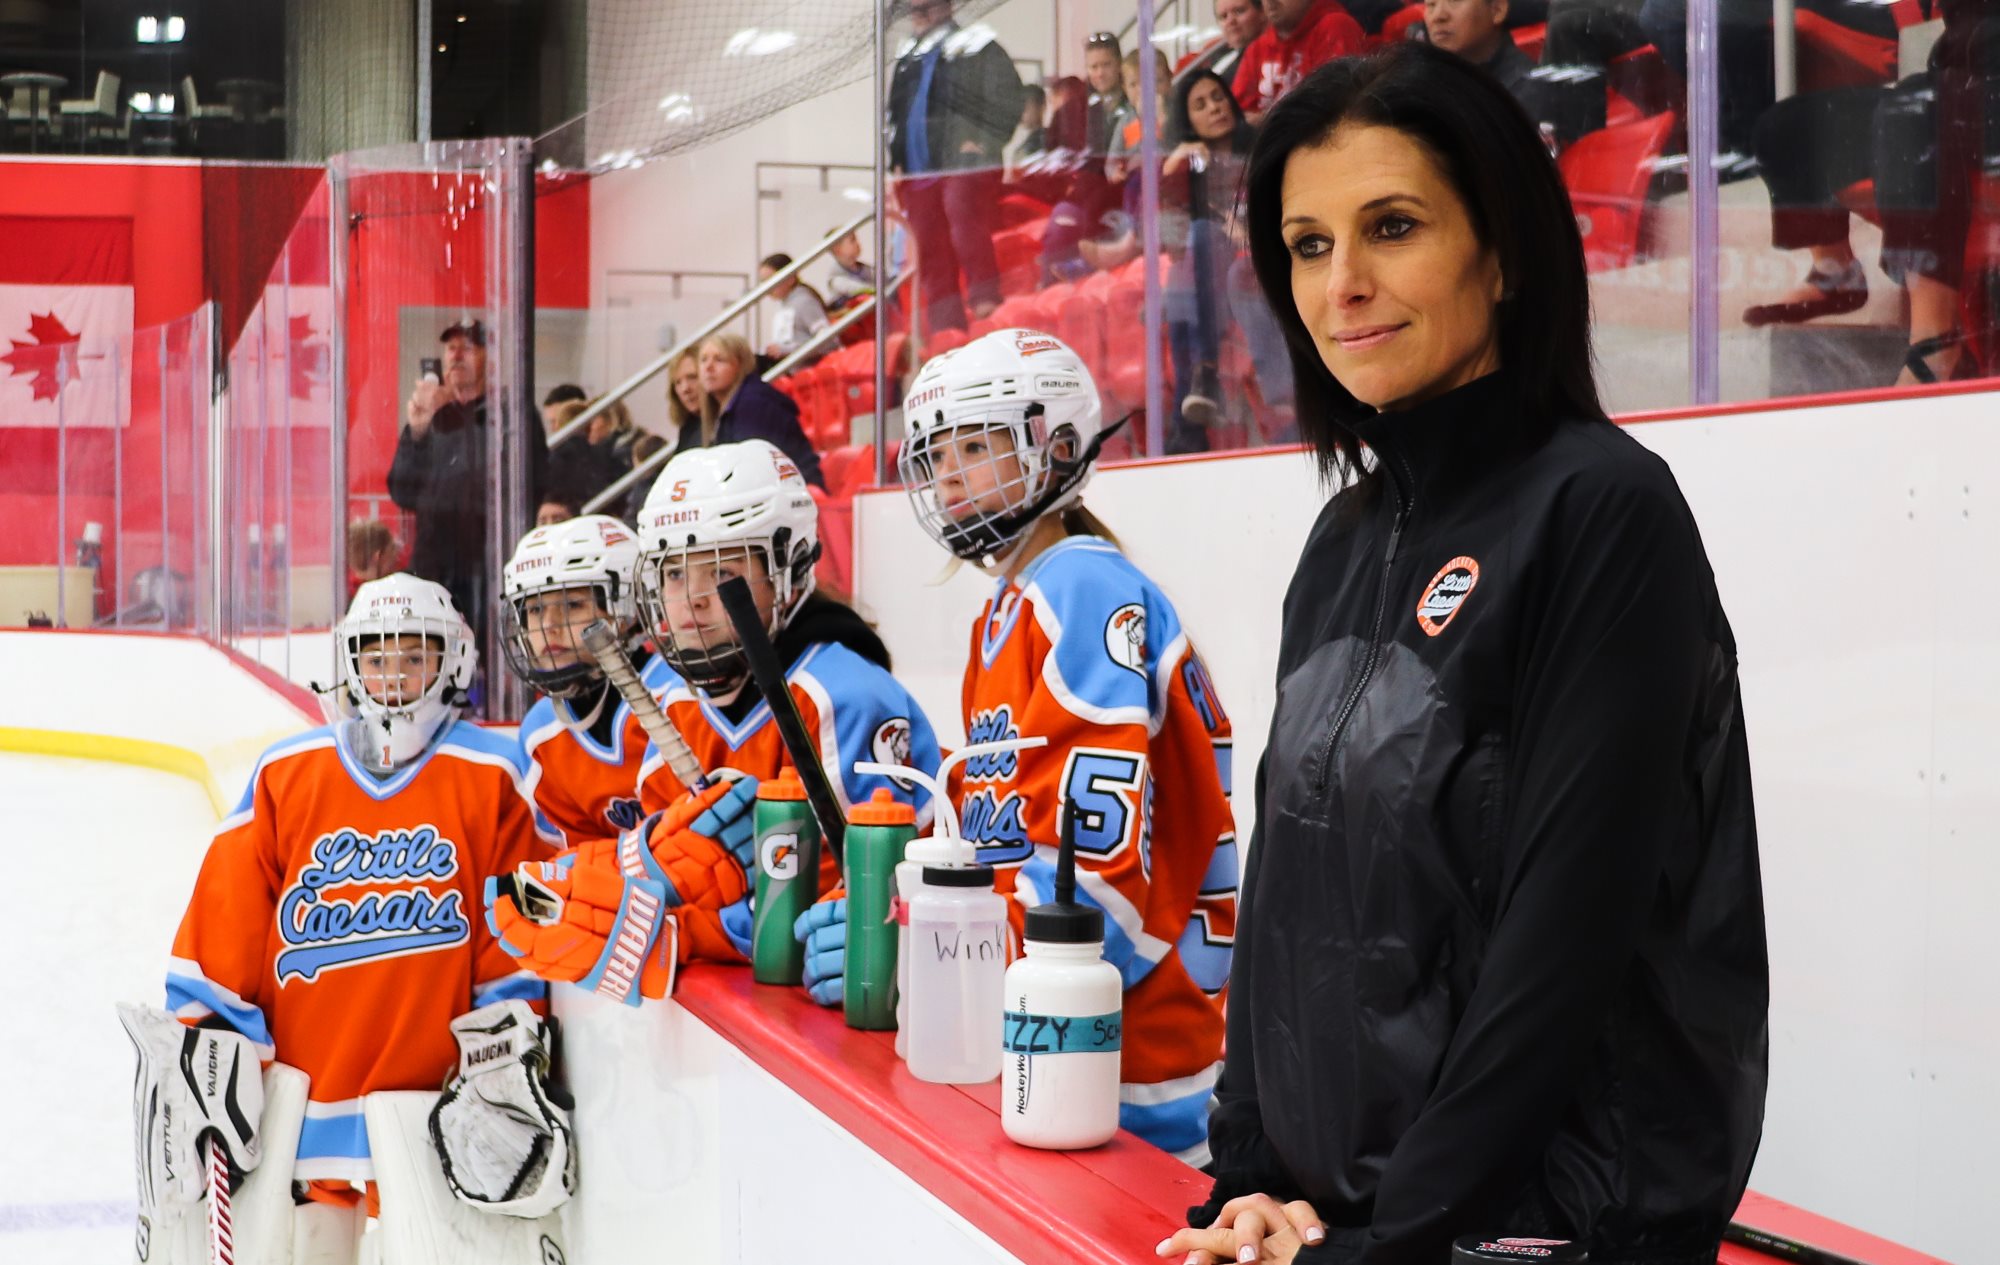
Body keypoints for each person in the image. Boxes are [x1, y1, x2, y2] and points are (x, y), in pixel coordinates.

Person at [1157, 45, 1767, 1264]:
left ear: (1501, 250)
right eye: (1308, 244)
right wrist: (1250, 1174)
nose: (1342, 284)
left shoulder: (1603, 511)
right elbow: (1282, 895)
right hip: (1359, 1227)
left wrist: (1392, 1239)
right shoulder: (1343, 537)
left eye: (1390, 227)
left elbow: (1565, 940)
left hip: (1547, 1233)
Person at [894, 329, 1238, 1164]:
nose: (949, 476)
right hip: (1066, 1043)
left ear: (1055, 447)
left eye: (976, 446)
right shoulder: (1012, 605)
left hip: (1124, 1066)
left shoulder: (1080, 590)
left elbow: (1096, 880)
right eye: (939, 455)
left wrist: (963, 985)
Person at [145, 574, 556, 1248]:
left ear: (452, 660)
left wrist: (503, 1065)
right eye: (375, 654)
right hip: (307, 1120)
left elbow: (510, 947)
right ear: (348, 661)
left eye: (413, 654)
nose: (392, 673)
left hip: (439, 1119)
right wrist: (209, 1053)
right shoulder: (287, 771)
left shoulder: (495, 771)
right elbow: (225, 924)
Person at [629, 439, 944, 966]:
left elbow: (850, 888)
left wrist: (686, 929)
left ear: (790, 568)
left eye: (723, 573)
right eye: (676, 573)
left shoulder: (842, 693)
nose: (693, 598)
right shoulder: (667, 690)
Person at [1742, 0, 1998, 384]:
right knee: (1789, 127)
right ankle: (1836, 272)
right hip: (1956, 80)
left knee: (1911, 110)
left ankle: (1936, 341)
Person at [502, 514, 654, 844]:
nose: (550, 627)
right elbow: (574, 862)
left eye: (572, 605)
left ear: (625, 610)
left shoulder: (675, 693)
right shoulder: (540, 731)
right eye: (534, 610)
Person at [388, 319, 549, 631]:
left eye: (468, 347)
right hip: (434, 569)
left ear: (489, 360)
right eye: (451, 348)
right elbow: (402, 492)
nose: (456, 355)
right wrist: (418, 432)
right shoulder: (432, 418)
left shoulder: (512, 414)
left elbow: (522, 485)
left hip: (488, 569)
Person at [887, 0, 1023, 332]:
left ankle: (984, 298)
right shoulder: (908, 58)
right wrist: (897, 160)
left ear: (945, 6)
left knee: (962, 217)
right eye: (913, 8)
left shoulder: (977, 46)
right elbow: (895, 113)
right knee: (930, 244)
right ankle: (946, 327)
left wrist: (983, 140)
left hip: (961, 167)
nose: (917, 13)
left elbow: (1010, 96)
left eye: (924, 6)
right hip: (920, 171)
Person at [1159, 69, 1261, 448]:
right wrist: (1175, 163)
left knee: (1199, 243)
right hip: (1211, 275)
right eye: (1200, 105)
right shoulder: (1194, 168)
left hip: (1254, 258)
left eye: (1218, 97)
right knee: (1181, 275)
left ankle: (1186, 429)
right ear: (1189, 122)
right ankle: (1196, 401)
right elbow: (1170, 240)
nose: (1215, 108)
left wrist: (1245, 235)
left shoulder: (1259, 149)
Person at [670, 332, 826, 487]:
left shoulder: (754, 403)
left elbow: (751, 472)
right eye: (703, 360)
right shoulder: (725, 409)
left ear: (739, 365)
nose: (709, 367)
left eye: (719, 360)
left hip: (797, 493)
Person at [1232, 0, 1366, 126]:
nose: (1269, 1)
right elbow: (1237, 117)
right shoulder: (1257, 48)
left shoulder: (1335, 26)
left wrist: (1269, 119)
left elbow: (1333, 106)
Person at [1421, 0, 1537, 107]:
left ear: (1497, 9)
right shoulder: (1423, 82)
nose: (1438, 16)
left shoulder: (1527, 92)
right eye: (1431, 4)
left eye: (1454, 1)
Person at [546, 395, 636, 513]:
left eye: (592, 419)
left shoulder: (615, 454)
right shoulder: (608, 451)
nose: (589, 426)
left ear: (610, 420)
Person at [1176, 0, 1271, 91]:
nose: (1230, 21)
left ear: (1262, 11)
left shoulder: (1273, 53)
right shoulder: (1210, 53)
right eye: (1223, 16)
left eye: (1239, 11)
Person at [759, 252, 833, 366]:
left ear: (790, 279)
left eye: (771, 280)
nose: (767, 288)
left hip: (807, 373)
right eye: (763, 282)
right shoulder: (783, 305)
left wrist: (787, 350)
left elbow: (828, 341)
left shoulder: (805, 302)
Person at [1001, 82, 1049, 179]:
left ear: (1042, 107)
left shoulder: (1047, 137)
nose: (1022, 111)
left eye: (1027, 106)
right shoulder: (1008, 134)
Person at [824, 228, 879, 310]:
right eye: (852, 240)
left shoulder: (862, 267)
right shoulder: (836, 281)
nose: (858, 243)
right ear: (837, 249)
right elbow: (862, 289)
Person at [346, 518, 401, 587]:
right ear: (378, 556)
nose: (396, 556)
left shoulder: (345, 590)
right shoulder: (394, 586)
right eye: (392, 548)